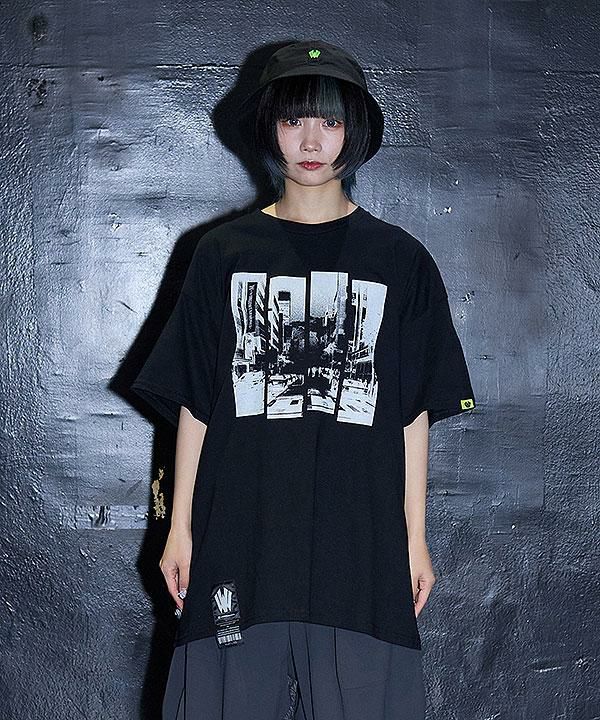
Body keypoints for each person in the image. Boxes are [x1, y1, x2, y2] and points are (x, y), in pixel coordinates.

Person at [131, 39, 476, 720]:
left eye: (330, 121)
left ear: (357, 131)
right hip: (240, 543)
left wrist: (414, 537)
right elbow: (196, 402)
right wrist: (180, 530)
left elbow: (412, 413)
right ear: (269, 128)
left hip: (361, 548)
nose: (311, 141)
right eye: (293, 120)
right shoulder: (221, 254)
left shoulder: (399, 260)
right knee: (222, 698)